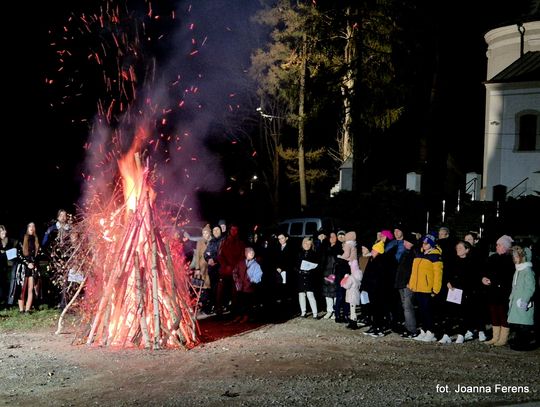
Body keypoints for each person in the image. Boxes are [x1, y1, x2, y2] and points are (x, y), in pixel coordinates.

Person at [408, 232, 443, 342]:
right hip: (418, 287)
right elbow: (414, 272)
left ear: (432, 244)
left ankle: (431, 332)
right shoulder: (420, 254)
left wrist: (435, 289)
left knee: (428, 311)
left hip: (427, 289)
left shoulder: (436, 256)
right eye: (423, 243)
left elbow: (438, 274)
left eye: (426, 243)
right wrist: (412, 284)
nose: (424, 245)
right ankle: (423, 330)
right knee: (421, 311)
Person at [482, 235, 515, 346]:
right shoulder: (492, 258)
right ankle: (495, 337)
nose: (496, 246)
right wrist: (484, 278)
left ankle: (503, 338)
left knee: (503, 313)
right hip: (492, 291)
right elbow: (485, 271)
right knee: (493, 312)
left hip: (504, 292)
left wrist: (497, 282)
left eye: (499, 245)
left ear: (505, 247)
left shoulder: (510, 260)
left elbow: (508, 277)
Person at [9, 222, 42, 313]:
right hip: (23, 267)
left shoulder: (36, 239)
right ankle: (21, 309)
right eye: (30, 226)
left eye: (33, 226)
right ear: (27, 228)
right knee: (21, 288)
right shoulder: (22, 239)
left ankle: (27, 309)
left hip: (32, 267)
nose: (32, 227)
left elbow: (37, 255)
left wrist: (33, 263)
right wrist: (27, 263)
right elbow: (19, 254)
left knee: (30, 289)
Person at [507, 246, 536, 350]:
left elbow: (530, 288)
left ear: (522, 257)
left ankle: (524, 344)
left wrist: (525, 300)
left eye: (516, 256)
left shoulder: (527, 271)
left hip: (523, 302)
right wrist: (511, 297)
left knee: (524, 325)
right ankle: (518, 342)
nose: (514, 258)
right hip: (515, 301)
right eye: (513, 256)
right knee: (518, 324)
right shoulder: (518, 270)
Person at [232, 247, 263, 323]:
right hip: (240, 286)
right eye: (250, 253)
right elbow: (235, 272)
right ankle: (239, 315)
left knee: (247, 302)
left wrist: (252, 280)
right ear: (246, 254)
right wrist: (237, 280)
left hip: (249, 286)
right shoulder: (241, 263)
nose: (252, 254)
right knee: (239, 301)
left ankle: (246, 316)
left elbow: (259, 275)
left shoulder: (256, 265)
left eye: (253, 253)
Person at [296, 237, 319, 318]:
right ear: (303, 244)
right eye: (306, 243)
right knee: (301, 294)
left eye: (309, 244)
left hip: (310, 276)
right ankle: (303, 311)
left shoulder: (314, 254)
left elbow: (317, 266)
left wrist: (311, 270)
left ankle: (315, 313)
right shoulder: (299, 253)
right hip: (300, 276)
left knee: (310, 294)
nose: (307, 245)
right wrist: (298, 270)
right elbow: (295, 265)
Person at [0, 226, 18, 308]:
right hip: (1, 266)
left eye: (4, 232)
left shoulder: (10, 241)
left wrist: (4, 253)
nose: (4, 234)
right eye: (1, 232)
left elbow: (13, 254)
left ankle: (8, 302)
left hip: (9, 266)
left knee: (9, 283)